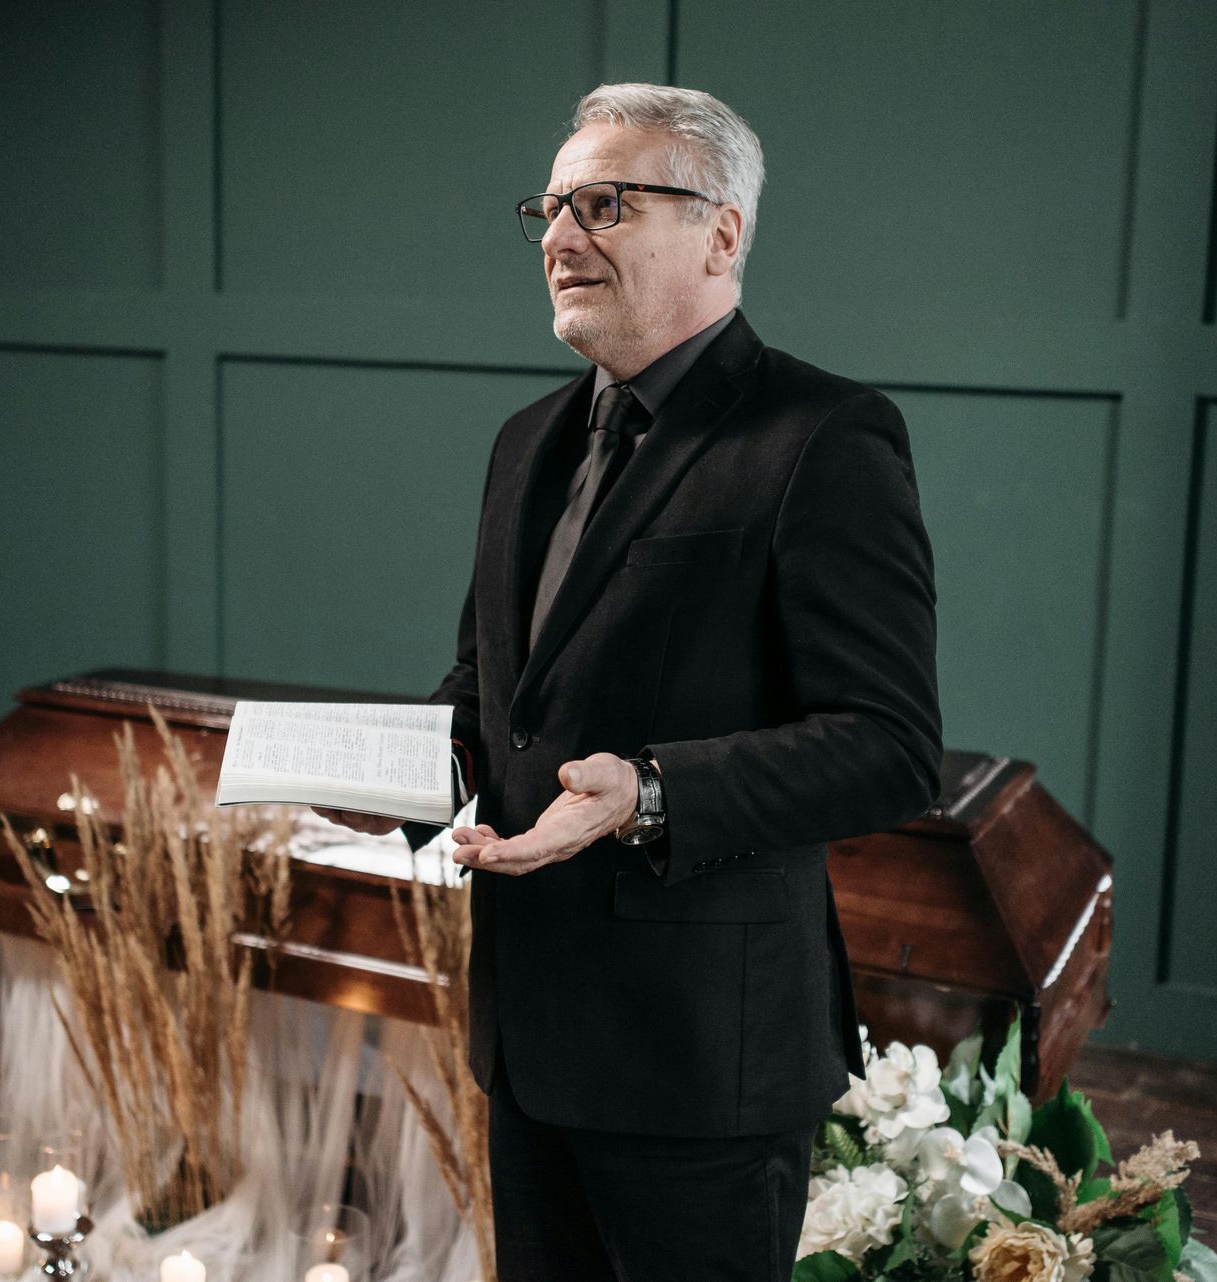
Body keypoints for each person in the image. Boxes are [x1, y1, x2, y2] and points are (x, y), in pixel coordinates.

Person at [315, 82, 941, 1281]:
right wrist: (376, 771)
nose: (558, 238)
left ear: (722, 233)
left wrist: (646, 792)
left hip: (701, 1053)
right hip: (530, 1036)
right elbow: (488, 687)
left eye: (603, 204)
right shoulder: (523, 439)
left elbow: (888, 742)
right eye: (550, 208)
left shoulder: (826, 436)